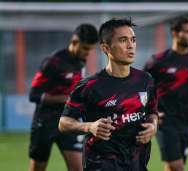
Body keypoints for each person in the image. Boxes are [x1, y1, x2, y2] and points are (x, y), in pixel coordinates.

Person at [59, 18, 158, 171]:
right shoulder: (89, 86)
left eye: (133, 40)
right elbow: (63, 123)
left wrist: (153, 126)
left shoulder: (146, 80)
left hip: (136, 163)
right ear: (106, 48)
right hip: (101, 164)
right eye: (123, 40)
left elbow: (152, 112)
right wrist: (90, 126)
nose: (131, 45)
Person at [144, 16, 188, 171]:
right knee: (178, 166)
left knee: (172, 165)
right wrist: (151, 111)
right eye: (187, 31)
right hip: (164, 120)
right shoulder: (158, 61)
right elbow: (141, 88)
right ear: (175, 33)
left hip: (186, 120)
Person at [28, 24, 99, 171]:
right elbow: (34, 95)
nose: (88, 53)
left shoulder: (81, 62)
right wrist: (65, 99)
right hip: (45, 123)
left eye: (91, 49)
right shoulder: (52, 62)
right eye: (86, 48)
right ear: (74, 42)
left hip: (68, 122)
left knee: (78, 168)